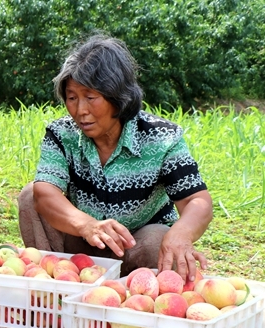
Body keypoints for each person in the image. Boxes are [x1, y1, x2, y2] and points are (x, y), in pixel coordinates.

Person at [18, 34, 213, 282]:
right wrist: (87, 225)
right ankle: (56, 287)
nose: (80, 110)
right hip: (81, 246)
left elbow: (197, 200)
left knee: (158, 240)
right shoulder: (60, 134)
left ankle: (141, 300)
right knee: (29, 195)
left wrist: (182, 233)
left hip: (138, 245)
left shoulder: (162, 137)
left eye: (90, 97)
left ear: (118, 96)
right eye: (72, 97)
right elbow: (45, 193)